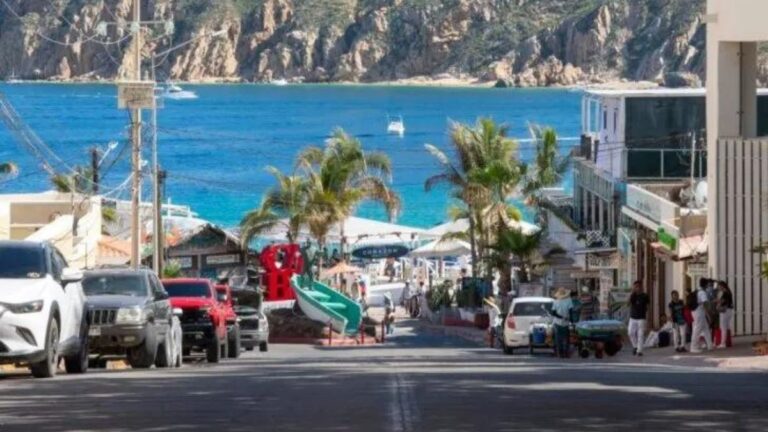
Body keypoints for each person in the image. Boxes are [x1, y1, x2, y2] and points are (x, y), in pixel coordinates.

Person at [690, 279, 714, 353]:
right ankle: (693, 347)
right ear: (706, 284)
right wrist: (709, 313)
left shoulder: (697, 290)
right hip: (699, 312)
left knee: (705, 328)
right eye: (708, 284)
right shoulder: (702, 292)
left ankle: (710, 345)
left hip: (697, 311)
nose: (709, 286)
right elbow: (705, 303)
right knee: (697, 329)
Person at [628, 280, 650, 356]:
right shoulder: (633, 295)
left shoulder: (645, 296)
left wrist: (647, 317)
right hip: (633, 317)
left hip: (641, 318)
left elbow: (647, 306)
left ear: (641, 287)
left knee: (640, 334)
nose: (637, 288)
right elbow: (628, 303)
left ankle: (639, 351)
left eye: (639, 286)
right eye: (636, 286)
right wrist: (632, 293)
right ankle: (635, 346)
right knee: (630, 332)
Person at [550, 288, 573, 358]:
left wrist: (560, 317)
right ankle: (566, 353)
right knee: (566, 338)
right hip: (566, 323)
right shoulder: (569, 301)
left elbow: (553, 313)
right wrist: (570, 320)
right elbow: (571, 311)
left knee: (558, 339)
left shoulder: (555, 302)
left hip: (557, 323)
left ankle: (560, 353)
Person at [717, 281, 734, 349]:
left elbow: (723, 301)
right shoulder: (728, 292)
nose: (718, 287)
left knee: (723, 327)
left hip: (724, 311)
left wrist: (717, 302)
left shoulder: (725, 293)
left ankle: (723, 343)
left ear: (722, 286)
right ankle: (726, 342)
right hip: (729, 310)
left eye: (718, 286)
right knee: (727, 327)